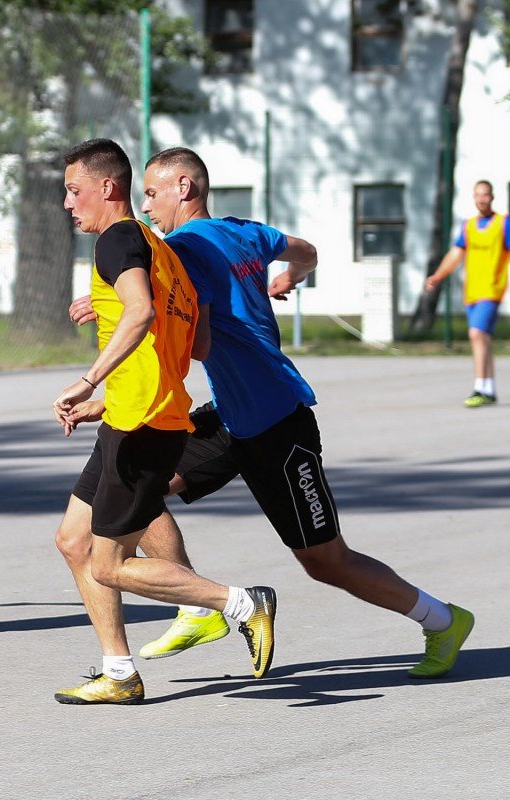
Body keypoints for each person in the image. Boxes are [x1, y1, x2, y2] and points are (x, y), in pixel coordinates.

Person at [71, 147, 473, 679]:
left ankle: (442, 619)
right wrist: (289, 278)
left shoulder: (185, 249)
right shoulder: (246, 232)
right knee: (138, 489)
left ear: (184, 188)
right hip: (228, 416)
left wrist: (119, 310)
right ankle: (198, 607)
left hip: (277, 421)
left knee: (327, 561)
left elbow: (195, 343)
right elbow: (306, 252)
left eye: (152, 193)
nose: (146, 206)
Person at [51, 139, 276, 705]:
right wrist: (111, 398)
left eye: (74, 190)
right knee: (74, 541)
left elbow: (141, 312)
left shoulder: (117, 240)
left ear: (107, 187)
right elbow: (195, 343)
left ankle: (238, 603)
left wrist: (90, 380)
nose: (68, 203)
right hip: (139, 414)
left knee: (110, 565)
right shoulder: (160, 249)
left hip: (143, 424)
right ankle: (119, 673)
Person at [425, 180, 510, 407]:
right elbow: (455, 253)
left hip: (491, 289)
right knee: (483, 339)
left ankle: (479, 387)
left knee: (476, 334)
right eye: (478, 195)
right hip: (472, 290)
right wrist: (438, 276)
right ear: (474, 198)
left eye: (485, 195)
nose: (482, 199)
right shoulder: (469, 226)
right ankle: (489, 389)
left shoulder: (503, 223)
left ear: (492, 197)